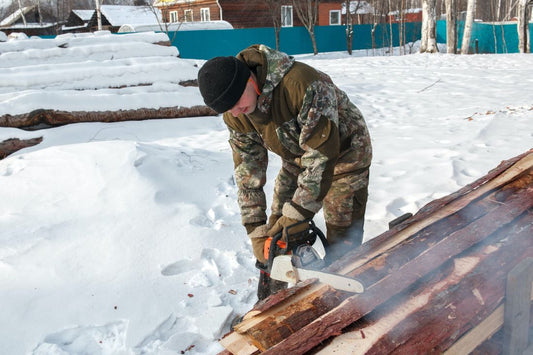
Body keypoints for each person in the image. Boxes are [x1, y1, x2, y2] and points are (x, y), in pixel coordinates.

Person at [197, 44, 372, 300]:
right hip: (297, 158)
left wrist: (298, 214)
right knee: (277, 232)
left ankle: (342, 297)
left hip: (346, 157)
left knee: (341, 236)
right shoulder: (236, 114)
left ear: (249, 79)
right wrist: (256, 229)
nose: (235, 111)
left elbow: (322, 158)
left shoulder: (302, 84)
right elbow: (248, 173)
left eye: (236, 101)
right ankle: (274, 300)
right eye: (227, 109)